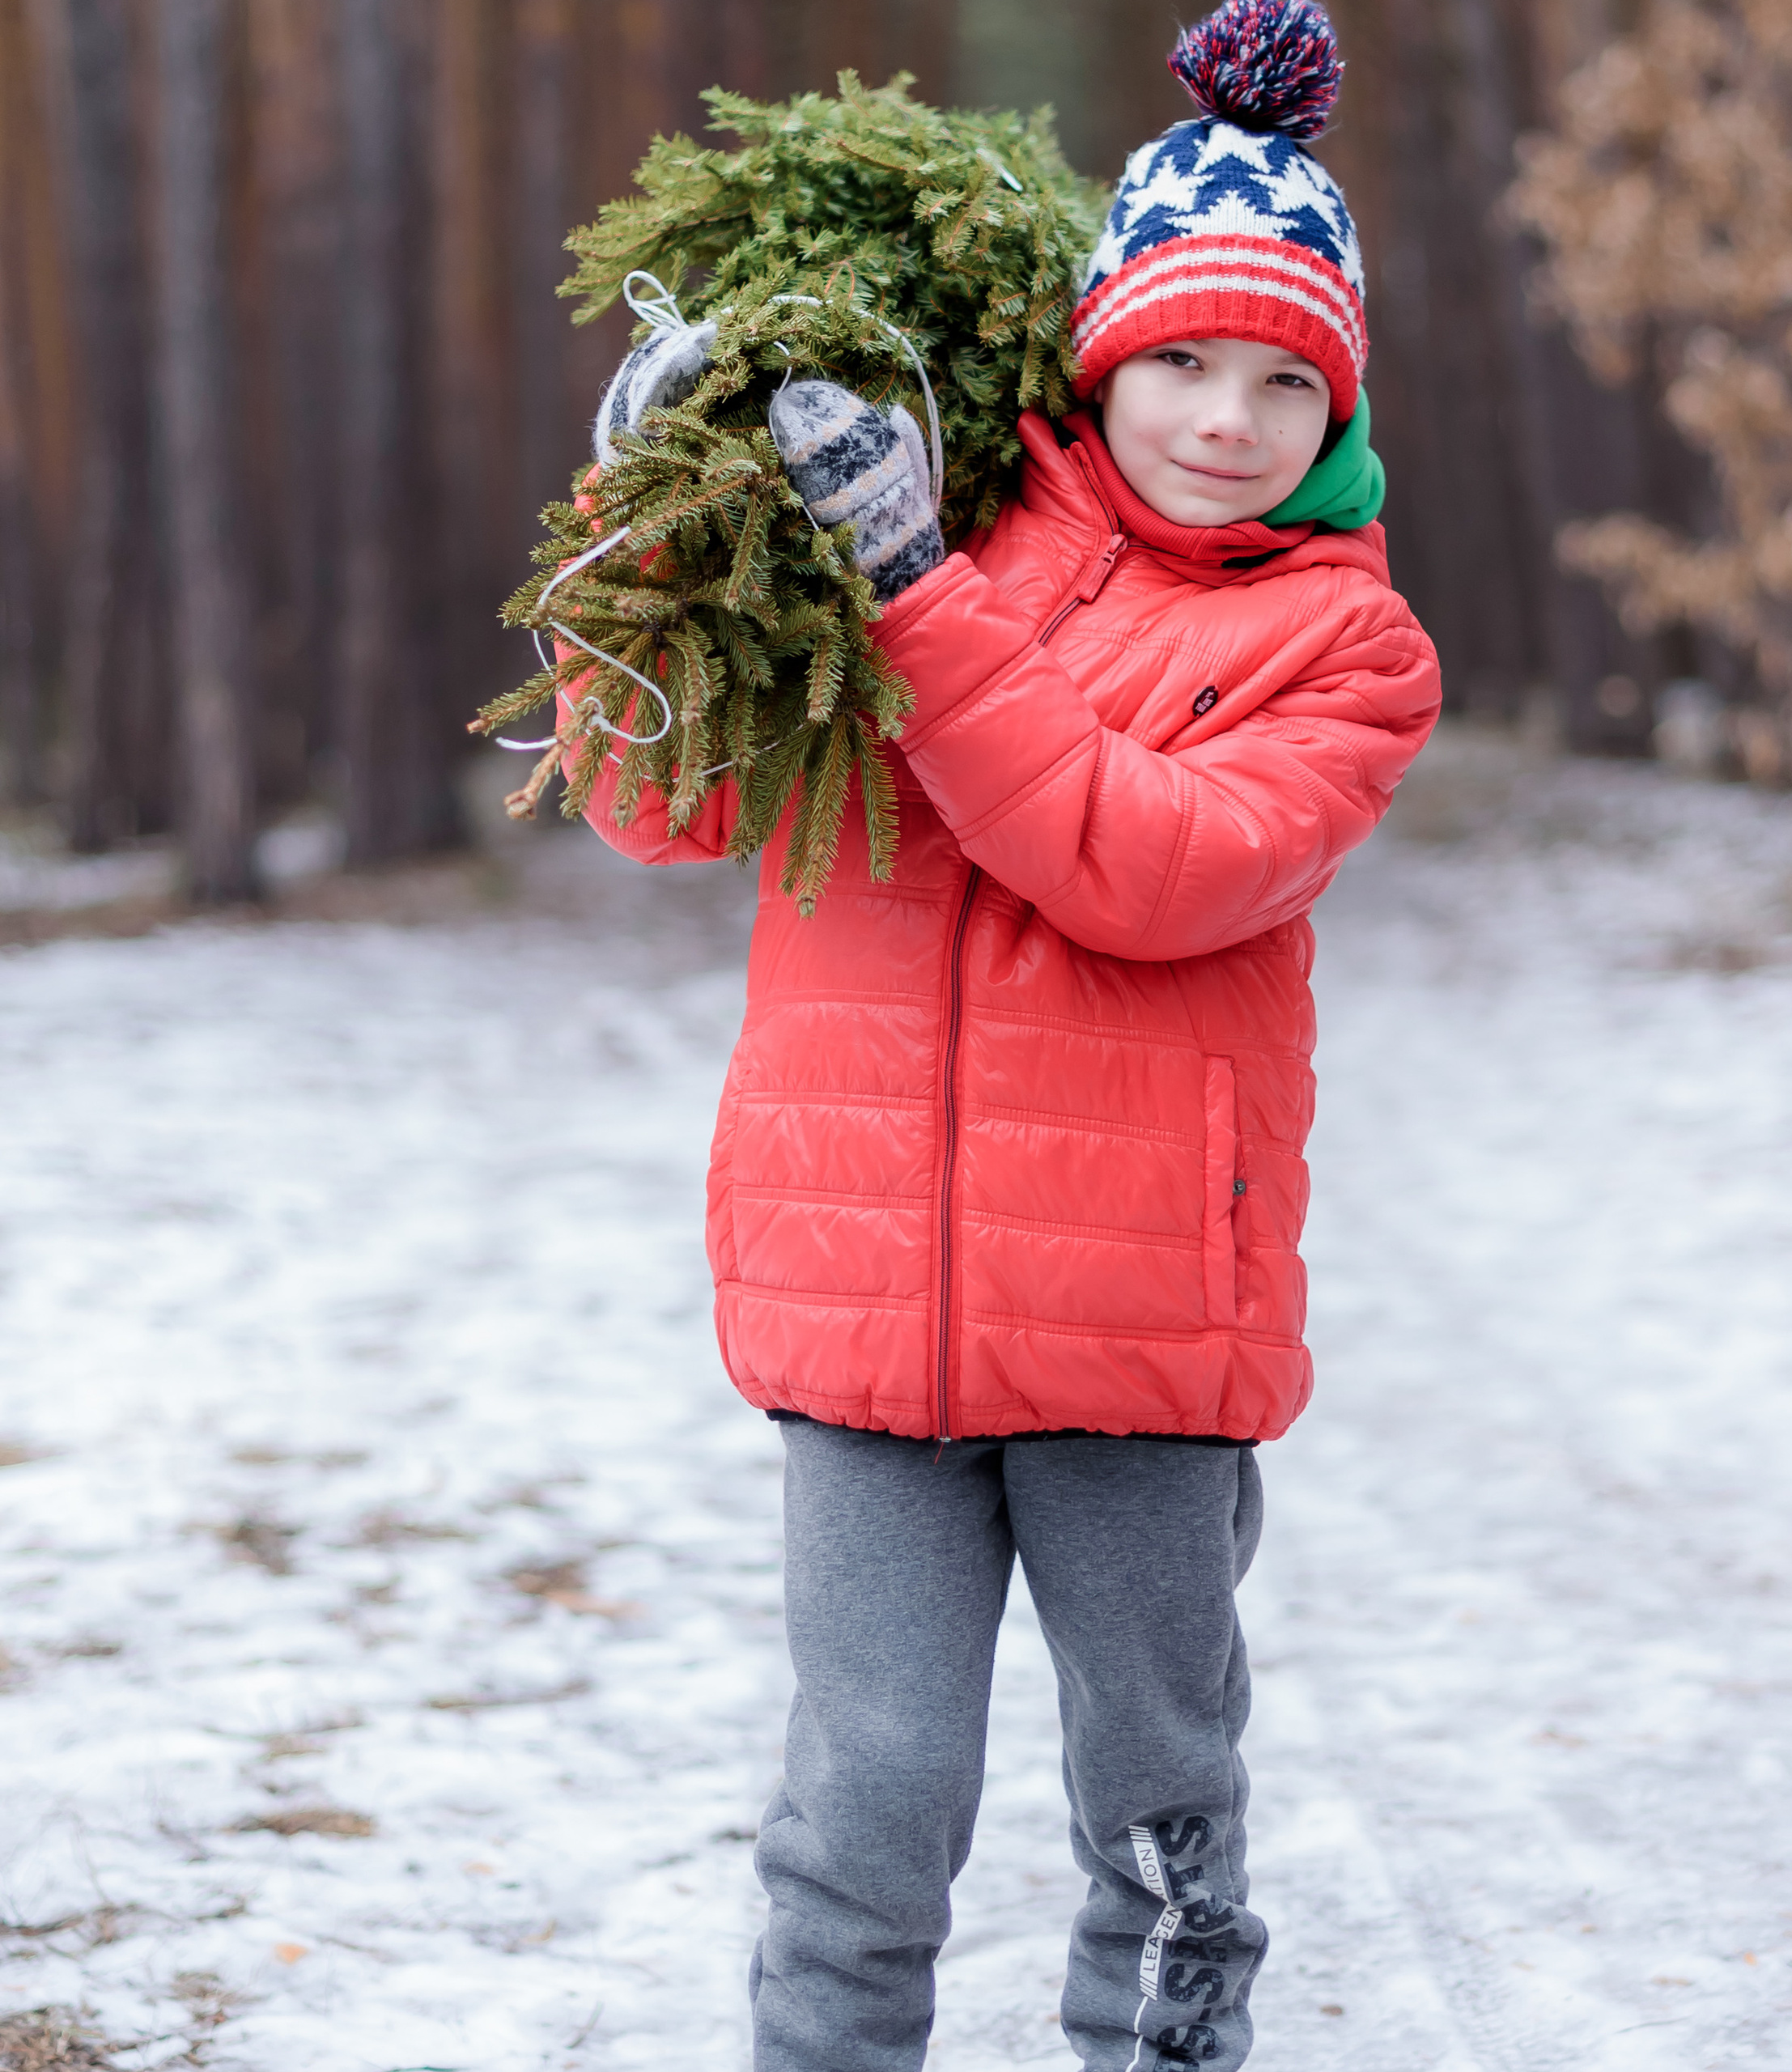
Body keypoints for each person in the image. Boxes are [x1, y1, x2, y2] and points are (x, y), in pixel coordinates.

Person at [571, 4, 1439, 2065]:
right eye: (1177, 360)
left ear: (1329, 406)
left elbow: (1144, 863)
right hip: (859, 1306)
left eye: (1275, 378)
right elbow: (655, 799)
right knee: (859, 1810)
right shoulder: (924, 523)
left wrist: (905, 588)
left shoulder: (1341, 643)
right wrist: (658, 514)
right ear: (1096, 354)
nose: (1220, 416)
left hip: (1138, 1345)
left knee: (1154, 1805)